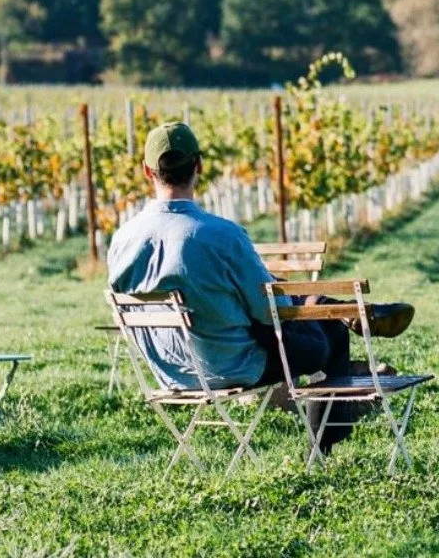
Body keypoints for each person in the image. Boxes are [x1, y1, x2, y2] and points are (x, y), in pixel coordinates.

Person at [108, 120, 412, 453]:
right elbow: (270, 314)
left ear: (147, 172)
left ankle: (333, 309)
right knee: (329, 340)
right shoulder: (220, 235)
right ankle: (322, 446)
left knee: (256, 300)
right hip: (231, 366)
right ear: (199, 166)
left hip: (169, 373)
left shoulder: (121, 241)